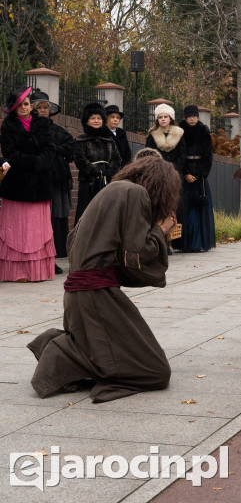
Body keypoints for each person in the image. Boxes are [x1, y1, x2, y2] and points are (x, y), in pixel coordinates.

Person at [27, 155, 181, 402]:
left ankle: (58, 344)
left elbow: (77, 241)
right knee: (155, 372)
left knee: (120, 352)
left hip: (82, 295)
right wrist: (159, 232)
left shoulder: (111, 190)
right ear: (160, 186)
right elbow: (136, 254)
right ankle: (59, 351)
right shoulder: (135, 194)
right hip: (96, 296)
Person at [0, 87, 56, 282]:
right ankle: (17, 272)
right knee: (17, 229)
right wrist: (32, 162)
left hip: (40, 184)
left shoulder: (43, 124)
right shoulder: (7, 126)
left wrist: (40, 163)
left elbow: (50, 149)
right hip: (17, 185)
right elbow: (9, 153)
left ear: (30, 105)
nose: (23, 107)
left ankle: (37, 271)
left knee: (37, 230)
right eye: (19, 105)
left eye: (26, 104)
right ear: (13, 108)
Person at [31, 91, 74, 272]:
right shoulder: (29, 129)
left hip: (57, 181)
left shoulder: (59, 131)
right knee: (39, 220)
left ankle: (52, 258)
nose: (42, 110)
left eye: (45, 107)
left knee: (56, 219)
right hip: (36, 179)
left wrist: (54, 149)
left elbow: (70, 149)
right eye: (38, 107)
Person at [73, 103, 121, 225]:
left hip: (107, 183)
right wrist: (96, 171)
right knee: (86, 215)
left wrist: (109, 171)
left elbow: (116, 159)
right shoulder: (80, 140)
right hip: (88, 183)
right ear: (87, 121)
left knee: (106, 215)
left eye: (99, 118)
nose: (96, 121)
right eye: (93, 118)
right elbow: (80, 160)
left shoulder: (109, 141)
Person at [177, 106, 215, 253]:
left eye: (194, 115)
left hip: (200, 176)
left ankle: (200, 242)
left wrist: (201, 175)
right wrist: (185, 173)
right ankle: (184, 243)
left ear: (198, 117)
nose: (192, 118)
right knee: (184, 208)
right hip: (184, 174)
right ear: (185, 117)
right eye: (189, 116)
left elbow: (208, 155)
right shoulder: (179, 131)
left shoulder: (204, 130)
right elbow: (179, 154)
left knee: (200, 208)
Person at [145, 104, 186, 174]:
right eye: (160, 117)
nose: (163, 119)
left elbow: (182, 155)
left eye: (166, 117)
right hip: (157, 172)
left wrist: (175, 168)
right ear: (157, 120)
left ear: (170, 119)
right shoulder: (152, 135)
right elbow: (149, 154)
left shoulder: (178, 133)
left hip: (175, 173)